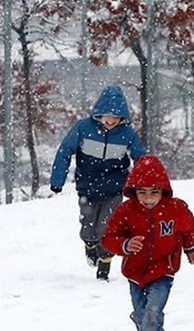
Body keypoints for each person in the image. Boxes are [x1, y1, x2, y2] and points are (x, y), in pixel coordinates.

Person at [101, 154, 194, 331]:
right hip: (135, 273)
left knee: (152, 314)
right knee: (141, 316)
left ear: (164, 191)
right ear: (133, 191)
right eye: (142, 192)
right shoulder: (126, 211)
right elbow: (109, 238)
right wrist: (125, 245)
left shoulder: (176, 209)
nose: (148, 198)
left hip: (163, 271)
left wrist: (190, 249)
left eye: (154, 192)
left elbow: (187, 228)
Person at [50, 85, 147, 281]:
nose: (111, 121)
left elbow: (141, 158)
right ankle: (89, 245)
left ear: (123, 118)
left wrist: (146, 183)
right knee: (88, 227)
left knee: (107, 228)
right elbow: (64, 152)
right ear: (98, 114)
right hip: (87, 187)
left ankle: (105, 263)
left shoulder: (127, 134)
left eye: (116, 118)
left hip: (114, 189)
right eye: (107, 117)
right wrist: (57, 180)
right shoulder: (84, 128)